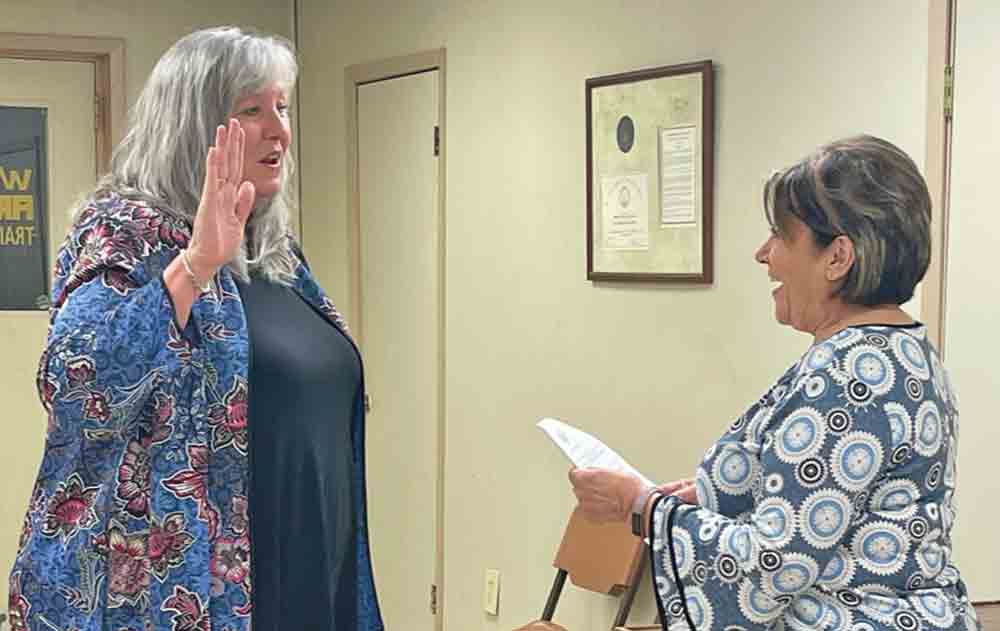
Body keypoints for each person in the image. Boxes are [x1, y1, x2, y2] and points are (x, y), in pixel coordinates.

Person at [7, 27, 383, 631]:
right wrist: (194, 265)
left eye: (282, 109)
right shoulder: (123, 234)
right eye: (251, 111)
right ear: (196, 126)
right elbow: (77, 390)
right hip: (177, 592)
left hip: (306, 572)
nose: (279, 131)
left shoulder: (276, 255)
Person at [569, 136, 980, 631]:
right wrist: (712, 494)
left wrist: (640, 505)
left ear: (837, 257)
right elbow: (831, 500)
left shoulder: (847, 376)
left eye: (781, 236)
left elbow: (774, 565)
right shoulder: (905, 349)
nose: (763, 254)